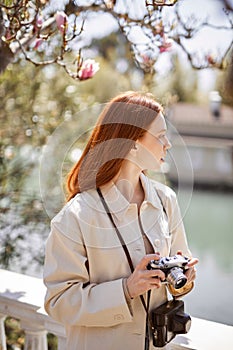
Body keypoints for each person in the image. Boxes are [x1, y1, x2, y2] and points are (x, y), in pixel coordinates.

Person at [43, 91, 198, 350]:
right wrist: (126, 289)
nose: (168, 144)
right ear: (133, 143)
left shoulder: (165, 200)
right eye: (160, 136)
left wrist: (186, 278)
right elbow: (58, 302)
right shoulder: (76, 216)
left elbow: (180, 280)